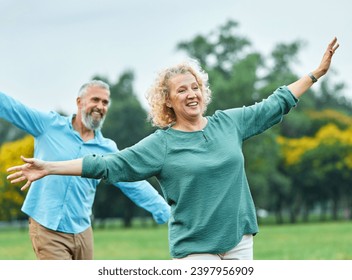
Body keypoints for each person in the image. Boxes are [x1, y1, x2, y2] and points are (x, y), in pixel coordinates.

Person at [7, 37, 339, 260]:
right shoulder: (162, 144)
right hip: (195, 249)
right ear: (168, 100)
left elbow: (275, 103)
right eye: (182, 90)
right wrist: (51, 167)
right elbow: (109, 165)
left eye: (196, 87)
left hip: (240, 242)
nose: (192, 94)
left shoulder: (229, 123)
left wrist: (315, 73)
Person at [1, 80, 170, 260]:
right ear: (79, 102)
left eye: (105, 102)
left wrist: (164, 210)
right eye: (95, 100)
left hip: (82, 230)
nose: (100, 106)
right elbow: (12, 108)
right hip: (46, 226)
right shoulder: (49, 125)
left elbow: (133, 183)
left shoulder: (107, 149)